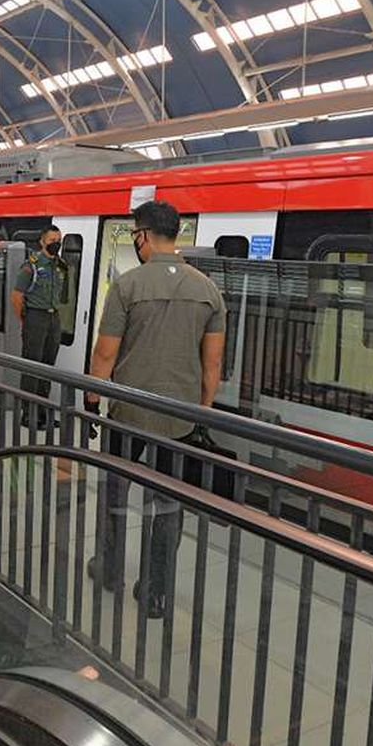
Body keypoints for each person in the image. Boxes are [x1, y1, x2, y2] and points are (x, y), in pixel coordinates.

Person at [84, 200, 225, 620]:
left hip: (128, 415)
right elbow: (212, 365)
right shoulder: (208, 290)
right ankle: (155, 592)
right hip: (180, 421)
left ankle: (109, 570)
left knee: (115, 493)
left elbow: (105, 354)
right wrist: (200, 412)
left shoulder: (127, 287)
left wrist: (92, 399)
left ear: (142, 235)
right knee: (167, 505)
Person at [10, 225, 66, 429]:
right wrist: (25, 320)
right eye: (52, 240)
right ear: (42, 242)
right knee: (32, 368)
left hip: (53, 318)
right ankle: (28, 414)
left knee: (47, 368)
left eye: (58, 239)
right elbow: (16, 296)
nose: (56, 243)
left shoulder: (59, 265)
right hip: (35, 317)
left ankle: (43, 412)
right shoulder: (31, 265)